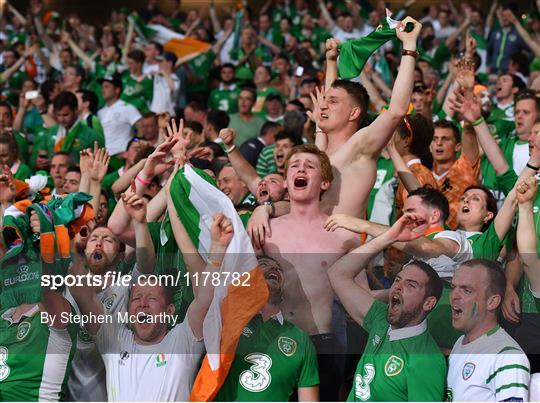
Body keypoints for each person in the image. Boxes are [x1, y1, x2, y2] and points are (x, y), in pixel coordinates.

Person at [249, 18, 423, 245]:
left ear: (353, 113)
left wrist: (409, 48)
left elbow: (397, 109)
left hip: (341, 257)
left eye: (332, 102)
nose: (322, 106)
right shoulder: (318, 151)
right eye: (324, 102)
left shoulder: (360, 146)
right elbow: (295, 207)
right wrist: (265, 209)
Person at [262, 144, 360, 400]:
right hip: (273, 340)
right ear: (286, 181)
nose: (300, 169)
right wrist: (262, 210)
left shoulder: (344, 237)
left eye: (309, 166)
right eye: (294, 165)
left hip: (321, 345)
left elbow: (363, 299)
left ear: (325, 183)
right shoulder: (265, 231)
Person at [329, 213, 446, 401]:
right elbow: (337, 273)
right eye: (398, 280)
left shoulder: (426, 359)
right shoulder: (379, 317)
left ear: (428, 303)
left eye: (411, 285)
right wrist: (389, 237)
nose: (398, 286)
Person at [214, 256, 320, 401]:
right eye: (262, 264)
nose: (273, 267)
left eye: (277, 268)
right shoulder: (224, 323)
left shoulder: (301, 340)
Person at [447, 259, 530, 402]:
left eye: (467, 290)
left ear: (492, 302)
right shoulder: (461, 342)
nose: (454, 296)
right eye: (453, 287)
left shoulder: (507, 356)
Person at [31, 91, 104, 167]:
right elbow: (40, 157)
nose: (61, 119)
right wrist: (41, 162)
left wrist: (69, 165)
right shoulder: (50, 132)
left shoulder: (91, 135)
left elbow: (98, 165)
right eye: (58, 115)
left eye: (65, 115)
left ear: (75, 110)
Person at [97, 74, 142, 157]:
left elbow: (141, 127)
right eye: (102, 87)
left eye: (107, 87)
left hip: (121, 155)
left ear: (117, 90)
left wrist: (134, 145)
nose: (103, 90)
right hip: (104, 157)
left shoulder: (127, 108)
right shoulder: (100, 112)